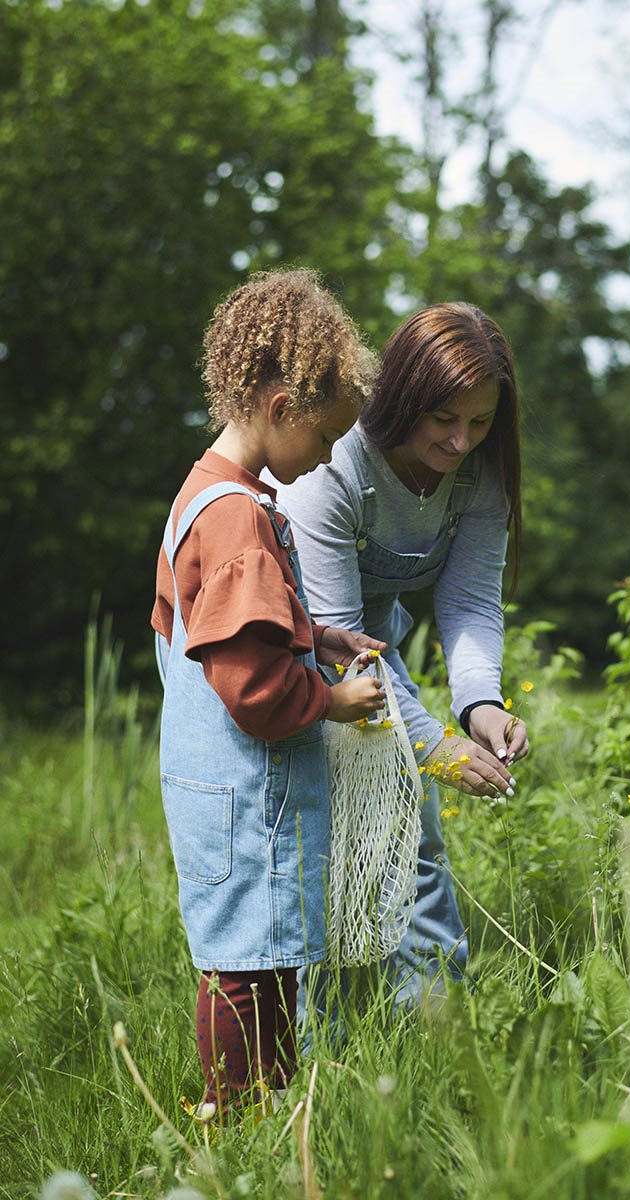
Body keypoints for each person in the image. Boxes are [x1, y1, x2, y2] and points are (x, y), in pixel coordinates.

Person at [151, 268, 387, 1111]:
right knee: (251, 971)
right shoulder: (242, 520)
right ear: (283, 408)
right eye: (324, 441)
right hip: (252, 801)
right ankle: (239, 1114)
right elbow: (250, 689)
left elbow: (200, 627)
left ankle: (262, 1108)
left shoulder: (203, 495)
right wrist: (332, 699)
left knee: (249, 956)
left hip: (210, 791)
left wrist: (311, 635)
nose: (326, 460)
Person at [277, 301, 530, 1006]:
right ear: (406, 396)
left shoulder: (479, 476)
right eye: (444, 418)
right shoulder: (334, 465)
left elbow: (472, 603)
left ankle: (438, 1029)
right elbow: (334, 642)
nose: (459, 442)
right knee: (307, 828)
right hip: (282, 645)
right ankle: (302, 1048)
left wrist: (479, 707)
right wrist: (434, 747)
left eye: (480, 423)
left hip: (367, 645)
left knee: (407, 823)